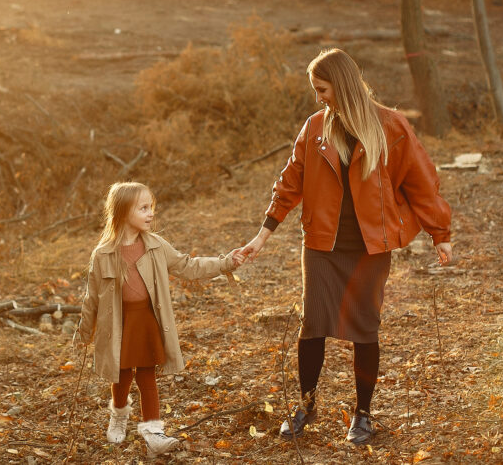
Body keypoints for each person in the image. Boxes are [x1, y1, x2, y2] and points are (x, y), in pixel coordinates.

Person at [238, 48, 453, 445]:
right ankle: (306, 405)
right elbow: (289, 183)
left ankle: (363, 414)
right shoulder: (315, 127)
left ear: (342, 84)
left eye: (322, 89)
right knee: (313, 326)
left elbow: (422, 181)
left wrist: (440, 234)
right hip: (322, 245)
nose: (318, 97)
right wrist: (262, 235)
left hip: (370, 247)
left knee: (364, 328)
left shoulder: (391, 126)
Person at [77, 181, 246, 456]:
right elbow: (91, 298)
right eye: (143, 208)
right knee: (121, 373)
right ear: (123, 212)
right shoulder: (103, 254)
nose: (151, 213)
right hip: (119, 325)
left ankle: (153, 432)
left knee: (146, 373)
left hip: (146, 320)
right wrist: (84, 333)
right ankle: (119, 414)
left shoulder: (156, 246)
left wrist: (225, 262)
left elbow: (188, 266)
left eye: (151, 207)